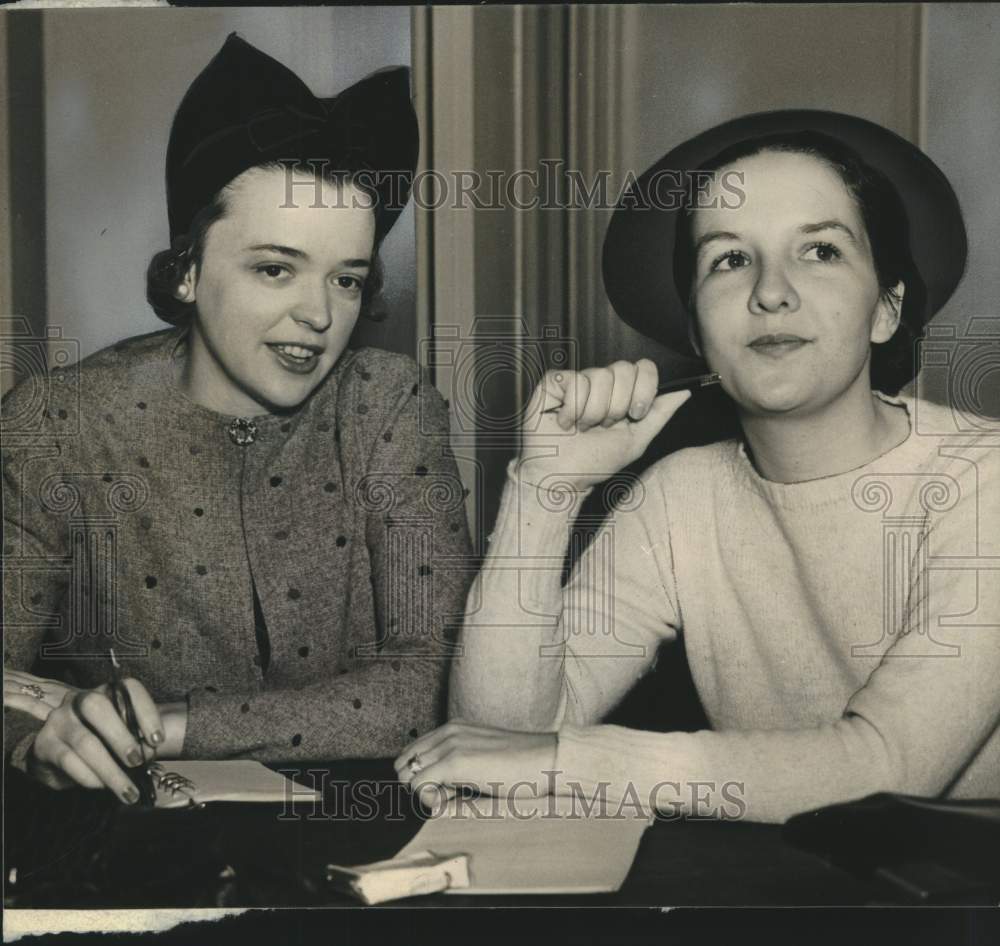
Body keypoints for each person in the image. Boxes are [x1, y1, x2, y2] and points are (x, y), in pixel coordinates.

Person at [394, 111, 999, 823]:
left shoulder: (979, 479)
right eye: (730, 259)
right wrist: (544, 491)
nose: (770, 291)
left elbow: (890, 769)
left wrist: (572, 761)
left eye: (821, 252)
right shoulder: (680, 497)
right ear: (697, 331)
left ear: (885, 311)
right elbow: (500, 741)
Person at [3, 35, 472, 805]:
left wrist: (165, 725)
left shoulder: (390, 403)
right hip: (129, 845)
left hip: (367, 838)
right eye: (275, 268)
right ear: (187, 270)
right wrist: (33, 742)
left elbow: (428, 690)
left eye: (346, 279)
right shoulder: (58, 423)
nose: (319, 315)